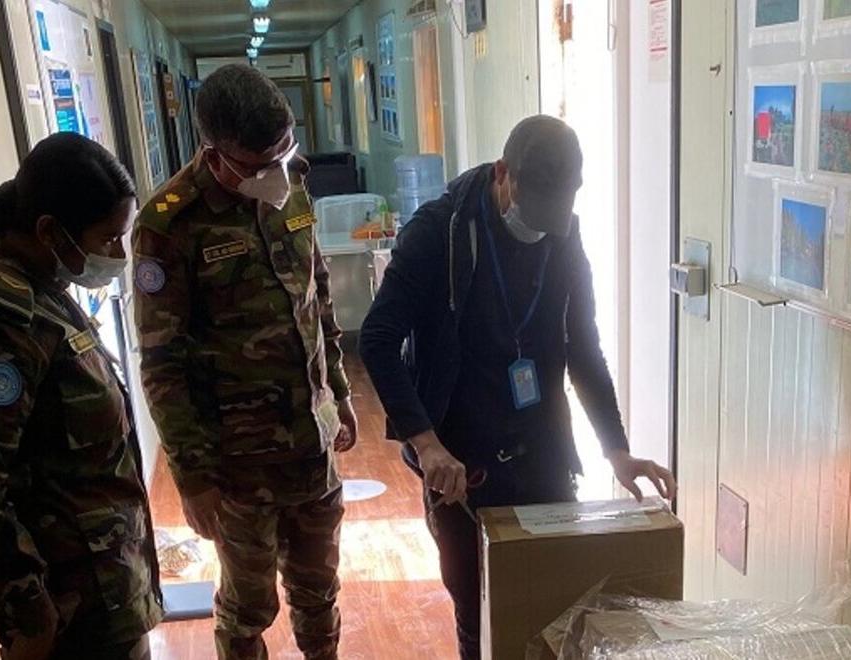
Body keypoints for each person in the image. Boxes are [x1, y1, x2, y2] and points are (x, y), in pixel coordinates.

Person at [359, 115, 677, 659]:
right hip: (461, 467)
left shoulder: (563, 232)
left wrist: (617, 450)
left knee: (555, 603)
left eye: (554, 217)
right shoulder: (437, 233)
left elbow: (583, 346)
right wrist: (426, 444)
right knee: (480, 613)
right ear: (503, 173)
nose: (540, 228)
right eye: (533, 213)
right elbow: (377, 339)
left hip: (541, 453)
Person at [132, 64, 356, 660]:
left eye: (284, 151)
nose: (275, 173)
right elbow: (162, 364)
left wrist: (338, 391)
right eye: (258, 165)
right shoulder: (168, 225)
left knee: (319, 589)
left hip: (312, 442)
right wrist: (193, 477)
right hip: (238, 463)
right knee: (248, 607)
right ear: (216, 154)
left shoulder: (292, 181)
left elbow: (317, 295)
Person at [0, 132, 162, 660]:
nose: (118, 255)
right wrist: (30, 607)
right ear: (50, 231)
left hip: (104, 587)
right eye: (107, 239)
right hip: (65, 608)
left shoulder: (44, 287)